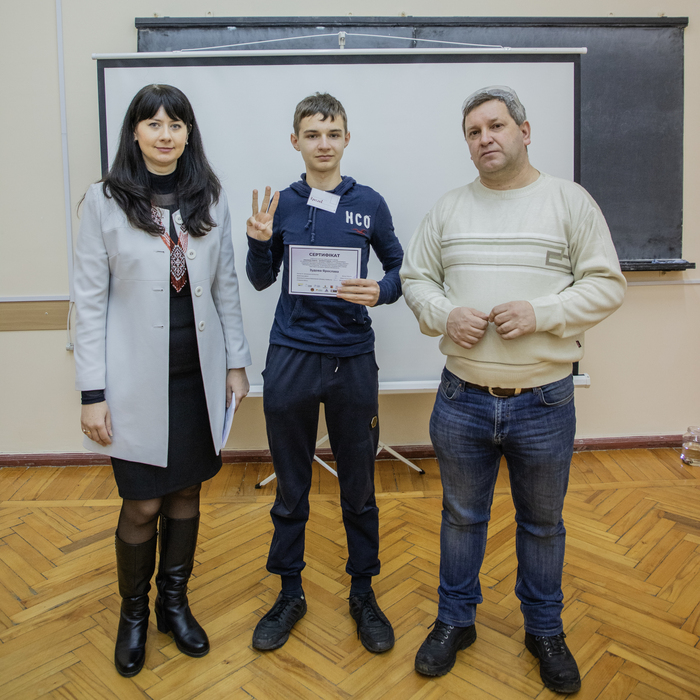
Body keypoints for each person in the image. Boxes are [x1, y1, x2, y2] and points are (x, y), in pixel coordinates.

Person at [401, 86, 626, 694]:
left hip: (545, 401)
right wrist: (443, 314)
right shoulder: (448, 209)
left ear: (525, 132)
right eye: (474, 132)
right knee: (461, 517)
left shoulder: (569, 202)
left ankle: (544, 631)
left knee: (543, 524)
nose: (485, 139)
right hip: (462, 399)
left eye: (496, 126)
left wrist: (543, 312)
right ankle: (455, 621)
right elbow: (416, 279)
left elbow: (607, 285)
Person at [74, 84, 251, 677]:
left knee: (185, 493)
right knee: (143, 502)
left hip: (195, 376)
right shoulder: (104, 201)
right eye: (153, 124)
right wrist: (92, 394)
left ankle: (174, 605)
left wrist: (235, 363)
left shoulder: (209, 197)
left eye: (176, 124)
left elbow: (225, 286)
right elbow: (88, 302)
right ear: (135, 132)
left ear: (188, 133)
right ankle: (133, 615)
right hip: (133, 383)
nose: (165, 134)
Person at [245, 92, 403, 654]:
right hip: (290, 355)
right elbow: (261, 279)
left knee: (358, 486)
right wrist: (258, 242)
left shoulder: (370, 203)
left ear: (346, 139)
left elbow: (399, 268)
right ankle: (290, 593)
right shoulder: (281, 205)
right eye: (312, 134)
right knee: (291, 488)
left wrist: (381, 291)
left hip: (351, 358)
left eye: (333, 133)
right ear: (296, 141)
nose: (323, 143)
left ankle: (363, 592)